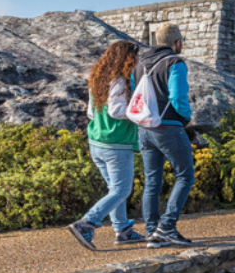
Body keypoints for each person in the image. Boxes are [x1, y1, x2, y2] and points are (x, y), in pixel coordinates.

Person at [68, 41, 146, 250]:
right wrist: (138, 111)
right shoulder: (120, 80)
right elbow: (116, 111)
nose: (137, 61)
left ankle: (123, 230)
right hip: (116, 144)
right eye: (135, 57)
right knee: (122, 190)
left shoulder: (97, 80)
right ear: (127, 58)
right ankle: (86, 223)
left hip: (96, 142)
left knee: (115, 189)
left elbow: (91, 113)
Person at [135, 23, 196, 248]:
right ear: (176, 42)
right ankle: (167, 227)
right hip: (168, 126)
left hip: (145, 128)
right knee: (185, 176)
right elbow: (179, 96)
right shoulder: (175, 62)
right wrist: (185, 118)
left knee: (152, 181)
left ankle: (152, 232)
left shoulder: (139, 64)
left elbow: (136, 94)